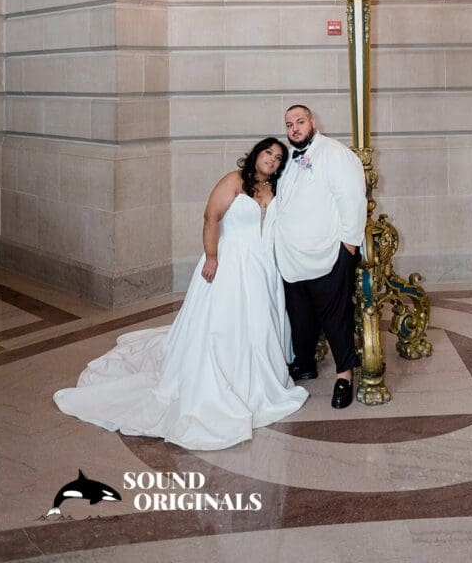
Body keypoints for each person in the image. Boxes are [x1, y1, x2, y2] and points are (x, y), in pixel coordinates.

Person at [53, 138, 308, 450]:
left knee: (259, 322)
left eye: (278, 157)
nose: (272, 159)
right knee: (221, 324)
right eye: (268, 152)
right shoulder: (234, 181)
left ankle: (259, 378)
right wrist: (212, 257)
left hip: (263, 267)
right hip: (229, 262)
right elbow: (210, 218)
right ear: (257, 154)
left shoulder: (275, 189)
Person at [275, 105, 366, 409]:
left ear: (313, 122)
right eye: (289, 125)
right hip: (292, 256)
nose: (295, 129)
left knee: (335, 317)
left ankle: (344, 376)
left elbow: (352, 199)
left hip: (329, 251)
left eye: (300, 122)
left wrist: (348, 248)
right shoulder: (286, 159)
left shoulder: (335, 154)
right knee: (300, 315)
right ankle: (304, 363)